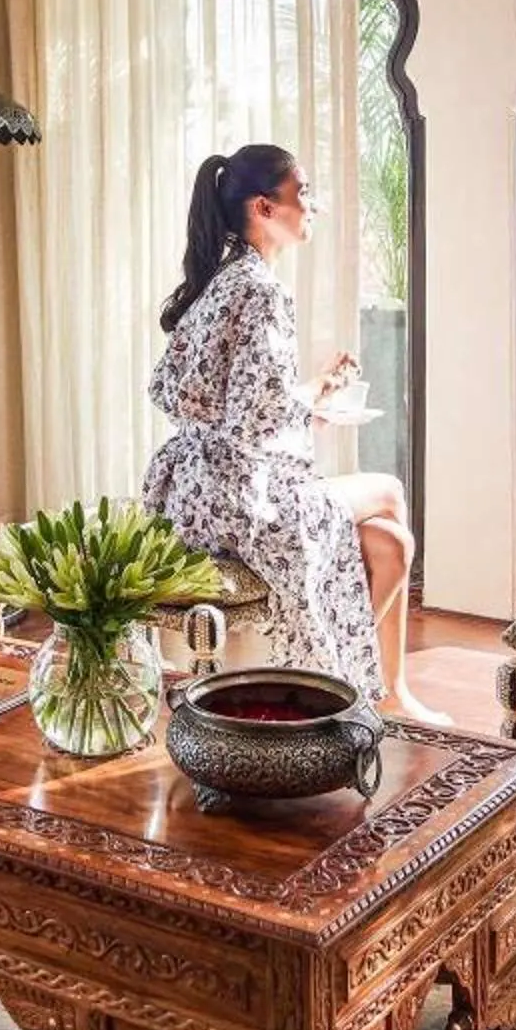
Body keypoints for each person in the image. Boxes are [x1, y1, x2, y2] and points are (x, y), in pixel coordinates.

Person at [143, 144, 424, 714]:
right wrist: (318, 392)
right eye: (304, 194)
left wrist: (312, 401)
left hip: (189, 494)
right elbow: (259, 415)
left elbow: (180, 395)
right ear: (264, 207)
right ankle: (346, 684)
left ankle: (384, 690)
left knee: (390, 544)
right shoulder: (262, 290)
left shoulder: (220, 282)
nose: (313, 205)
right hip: (242, 502)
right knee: (390, 492)